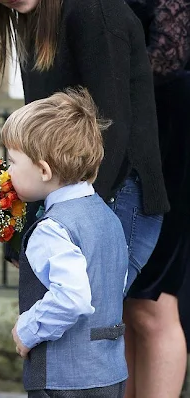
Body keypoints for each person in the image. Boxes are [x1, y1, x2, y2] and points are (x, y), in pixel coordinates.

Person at [0, 0, 168, 315]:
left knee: (79, 329)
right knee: (63, 328)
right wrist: (21, 227)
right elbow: (38, 143)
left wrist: (69, 221)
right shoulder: (32, 19)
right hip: (67, 195)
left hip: (114, 192)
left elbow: (110, 129)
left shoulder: (94, 10)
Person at [7, 88, 128, 397]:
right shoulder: (107, 216)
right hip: (109, 372)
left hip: (63, 381)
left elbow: (72, 299)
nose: (8, 171)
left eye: (13, 162)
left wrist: (27, 329)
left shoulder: (53, 228)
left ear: (44, 170)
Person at [122, 1, 190, 396]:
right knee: (127, 305)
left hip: (167, 137)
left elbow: (167, 56)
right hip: (126, 136)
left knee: (153, 305)